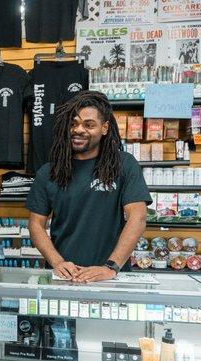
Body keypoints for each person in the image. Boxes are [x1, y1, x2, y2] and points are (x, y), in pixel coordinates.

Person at [25, 91, 151, 283]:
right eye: (73, 123)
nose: (79, 130)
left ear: (105, 128)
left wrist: (111, 267)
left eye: (89, 125)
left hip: (109, 277)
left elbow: (138, 217)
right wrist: (58, 262)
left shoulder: (123, 164)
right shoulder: (48, 171)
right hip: (64, 277)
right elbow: (36, 224)